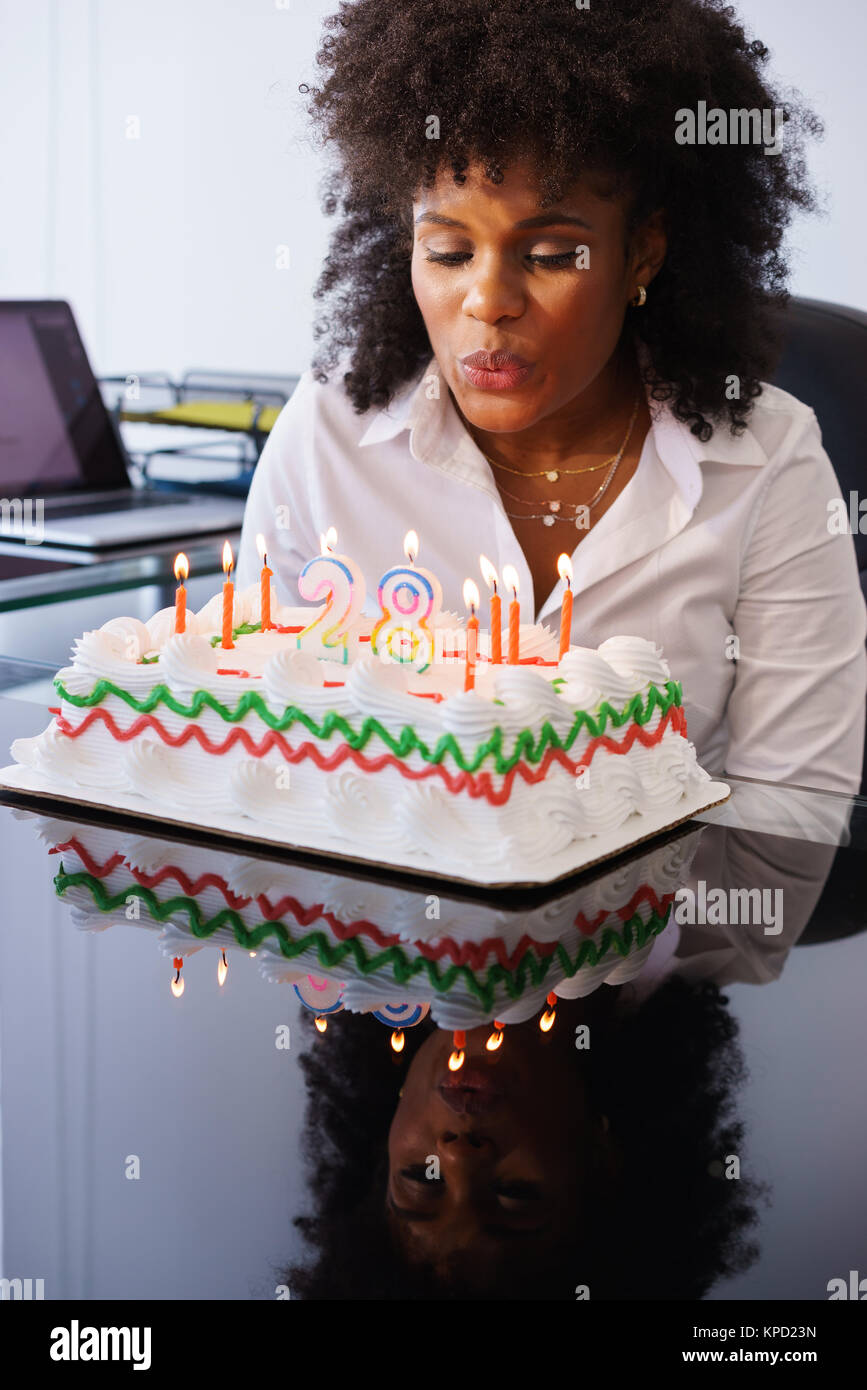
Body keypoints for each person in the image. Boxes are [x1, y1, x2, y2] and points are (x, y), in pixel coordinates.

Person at [237, 0, 866, 795]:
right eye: (448, 251)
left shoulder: (768, 460)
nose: (488, 299)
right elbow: (259, 747)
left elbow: (794, 804)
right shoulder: (328, 433)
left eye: (547, 253)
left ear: (641, 254)